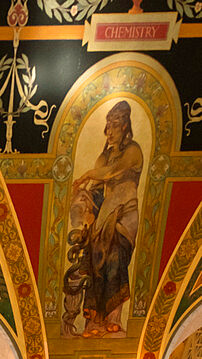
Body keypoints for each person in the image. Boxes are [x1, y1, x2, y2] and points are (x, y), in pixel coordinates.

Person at [66, 100, 143, 337]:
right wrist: (85, 195)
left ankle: (114, 318)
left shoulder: (133, 151)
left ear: (125, 126)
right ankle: (94, 321)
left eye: (114, 126)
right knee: (97, 263)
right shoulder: (104, 156)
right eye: (107, 127)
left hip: (124, 214)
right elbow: (99, 185)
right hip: (104, 217)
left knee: (116, 260)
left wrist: (86, 174)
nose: (109, 132)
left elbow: (111, 173)